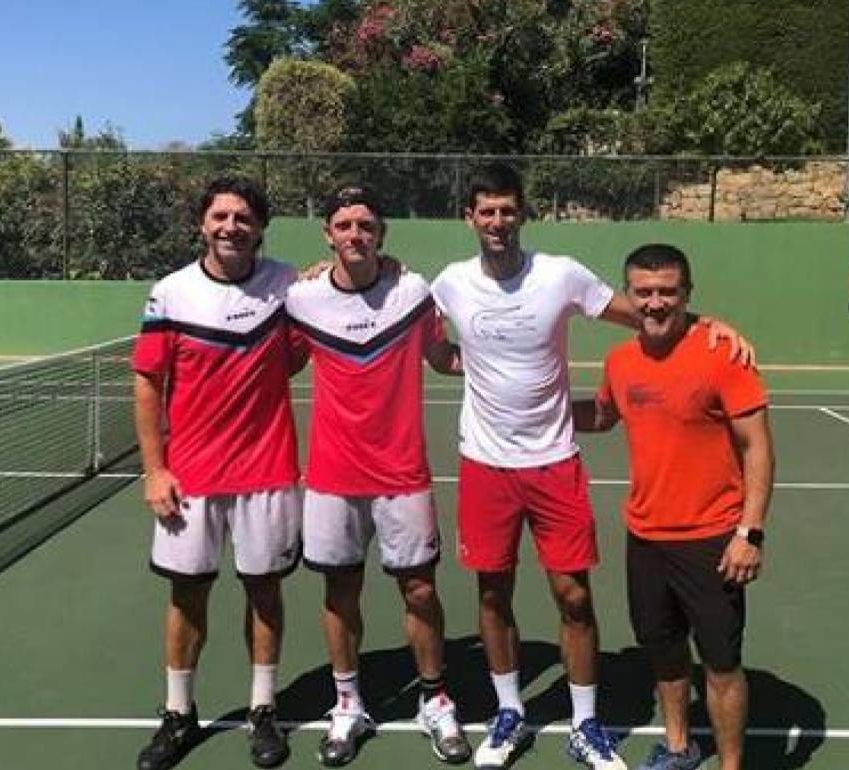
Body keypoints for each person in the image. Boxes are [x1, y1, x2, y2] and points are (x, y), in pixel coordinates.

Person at [428, 164, 753, 770]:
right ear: (468, 217)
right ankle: (508, 712)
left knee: (572, 595)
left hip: (555, 461)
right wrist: (466, 365)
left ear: (522, 213)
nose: (497, 221)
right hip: (484, 462)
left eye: (507, 210)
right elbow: (429, 342)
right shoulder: (448, 284)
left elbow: (648, 314)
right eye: (486, 211)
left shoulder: (561, 275)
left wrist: (709, 324)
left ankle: (585, 723)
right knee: (492, 592)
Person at [285, 186, 470, 767]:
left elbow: (444, 358)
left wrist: (519, 357)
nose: (354, 234)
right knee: (339, 592)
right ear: (328, 235)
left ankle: (434, 699)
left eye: (365, 225)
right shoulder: (303, 299)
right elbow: (280, 362)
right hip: (332, 478)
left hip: (402, 474)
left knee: (419, 589)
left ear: (381, 234)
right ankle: (347, 705)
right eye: (343, 225)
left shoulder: (412, 292)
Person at [574, 244, 774, 770]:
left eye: (668, 292)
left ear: (687, 294)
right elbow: (600, 417)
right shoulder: (619, 361)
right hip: (645, 537)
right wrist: (523, 407)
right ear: (629, 296)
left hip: (712, 539)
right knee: (663, 652)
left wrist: (749, 532)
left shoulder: (721, 353)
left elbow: (758, 447)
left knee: (722, 663)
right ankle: (679, 747)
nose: (656, 302)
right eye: (644, 292)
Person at [132, 177, 302, 770]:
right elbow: (149, 384)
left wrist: (387, 258)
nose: (231, 226)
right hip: (191, 478)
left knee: (264, 591)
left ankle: (262, 709)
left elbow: (348, 285)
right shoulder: (171, 293)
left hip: (268, 472)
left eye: (244, 217)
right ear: (202, 224)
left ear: (260, 227)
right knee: (188, 597)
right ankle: (179, 714)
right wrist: (155, 471)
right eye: (220, 216)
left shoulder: (288, 285)